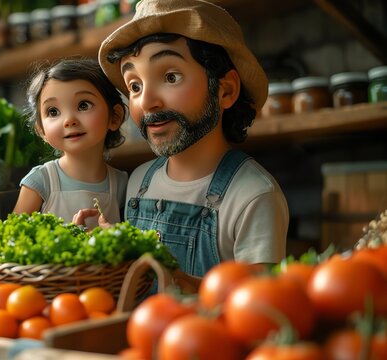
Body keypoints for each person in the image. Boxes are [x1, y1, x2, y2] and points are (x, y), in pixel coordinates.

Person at [74, 0, 289, 287]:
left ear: (225, 90)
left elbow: (257, 308)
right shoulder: (140, 182)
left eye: (170, 77)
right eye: (134, 86)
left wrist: (174, 278)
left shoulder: (253, 195)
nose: (147, 102)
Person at [13, 58, 129, 229]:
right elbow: (13, 238)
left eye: (83, 105)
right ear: (41, 130)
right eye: (53, 111)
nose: (69, 120)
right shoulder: (41, 182)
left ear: (115, 117)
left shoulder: (121, 184)